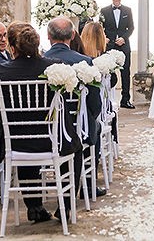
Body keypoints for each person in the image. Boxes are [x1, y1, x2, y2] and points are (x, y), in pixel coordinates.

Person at [0, 23, 81, 223]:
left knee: (26, 147)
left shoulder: (3, 71)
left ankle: (34, 206)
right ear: (37, 46)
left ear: (13, 48)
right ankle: (66, 206)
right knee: (75, 147)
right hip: (50, 139)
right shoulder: (53, 67)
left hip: (14, 142)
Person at [43, 17, 106, 198]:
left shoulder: (42, 61)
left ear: (48, 36)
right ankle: (88, 185)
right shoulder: (85, 62)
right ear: (72, 35)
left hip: (47, 130)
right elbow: (95, 106)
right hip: (78, 130)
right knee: (95, 126)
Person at [100, 0, 135, 109]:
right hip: (109, 46)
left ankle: (125, 100)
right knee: (109, 72)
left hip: (124, 45)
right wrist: (105, 38)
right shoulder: (103, 10)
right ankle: (108, 100)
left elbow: (131, 28)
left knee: (125, 72)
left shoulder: (127, 10)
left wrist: (123, 38)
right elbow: (100, 27)